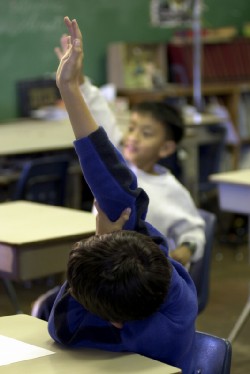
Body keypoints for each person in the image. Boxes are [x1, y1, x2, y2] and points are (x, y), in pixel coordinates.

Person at [47, 16, 198, 374]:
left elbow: (58, 324)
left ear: (114, 322)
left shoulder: (83, 329)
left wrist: (103, 240)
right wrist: (72, 88)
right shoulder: (168, 289)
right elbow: (112, 175)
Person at [121, 101, 206, 266]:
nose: (133, 138)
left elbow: (194, 234)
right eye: (131, 129)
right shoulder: (118, 174)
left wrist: (186, 250)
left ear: (165, 148)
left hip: (148, 279)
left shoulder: (171, 190)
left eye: (146, 133)